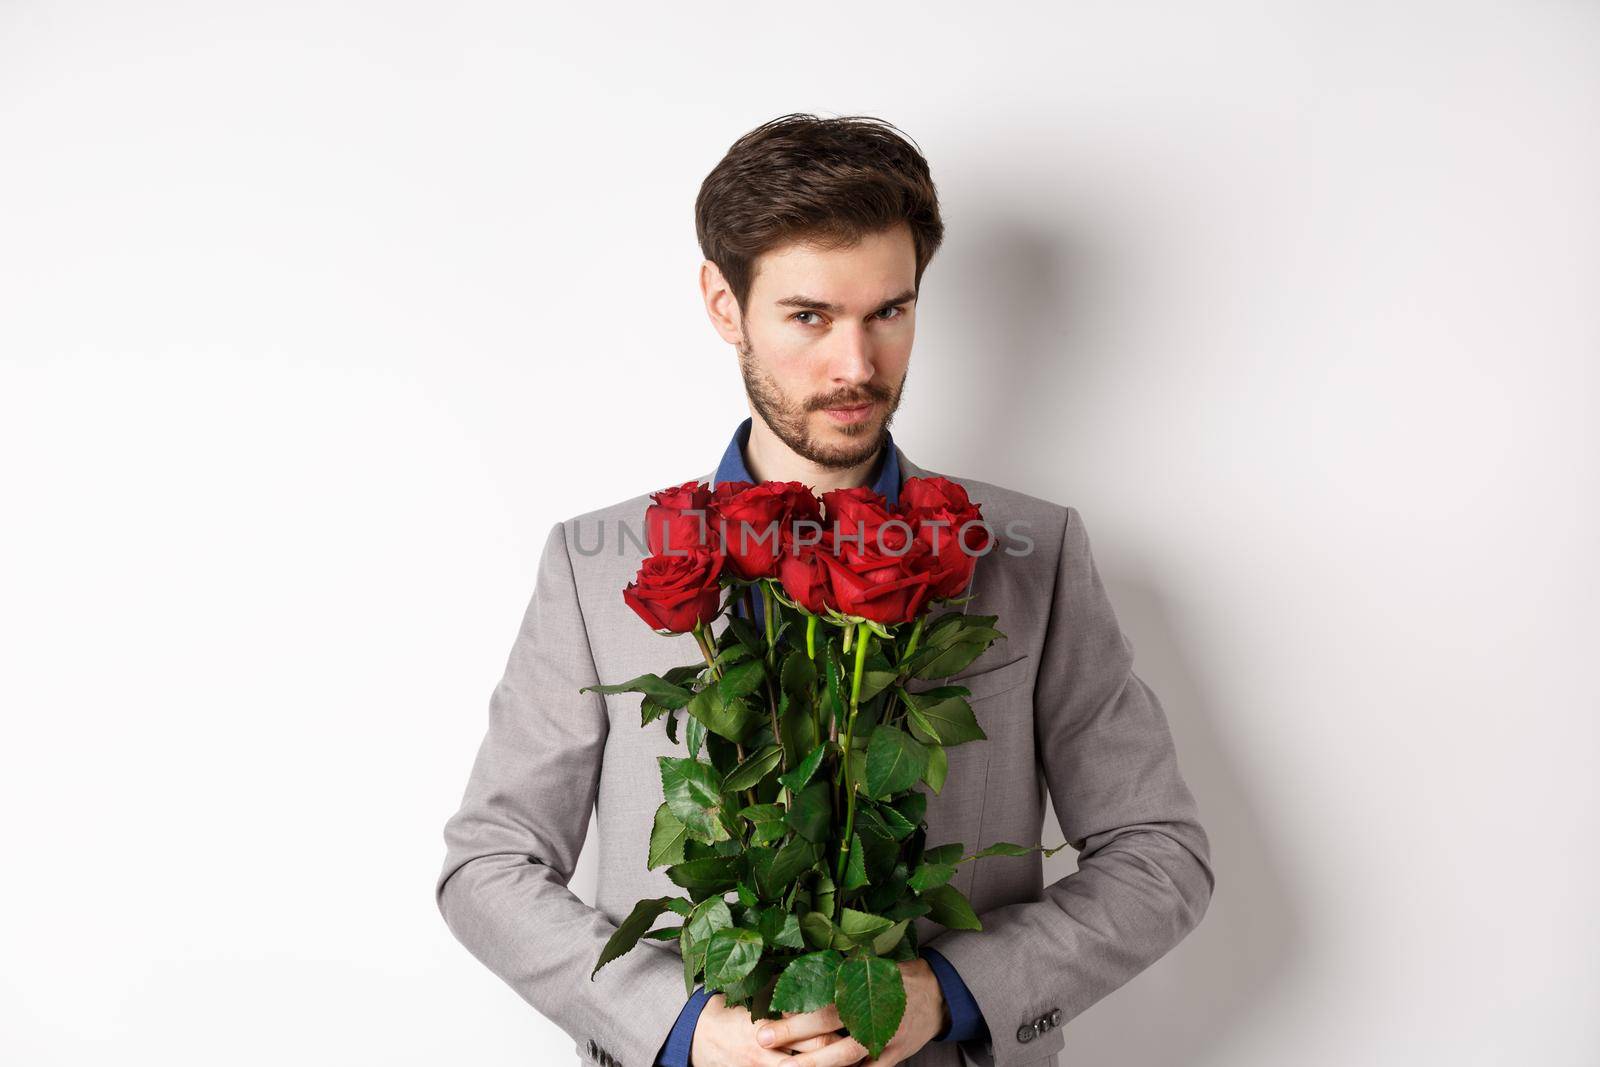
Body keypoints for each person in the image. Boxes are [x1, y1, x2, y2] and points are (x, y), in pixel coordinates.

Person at [435, 113, 1214, 1067]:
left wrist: (948, 995)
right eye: (810, 316)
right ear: (726, 305)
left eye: (890, 311)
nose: (858, 366)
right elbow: (489, 864)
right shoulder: (595, 563)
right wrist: (678, 1027)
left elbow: (1159, 853)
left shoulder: (1033, 551)